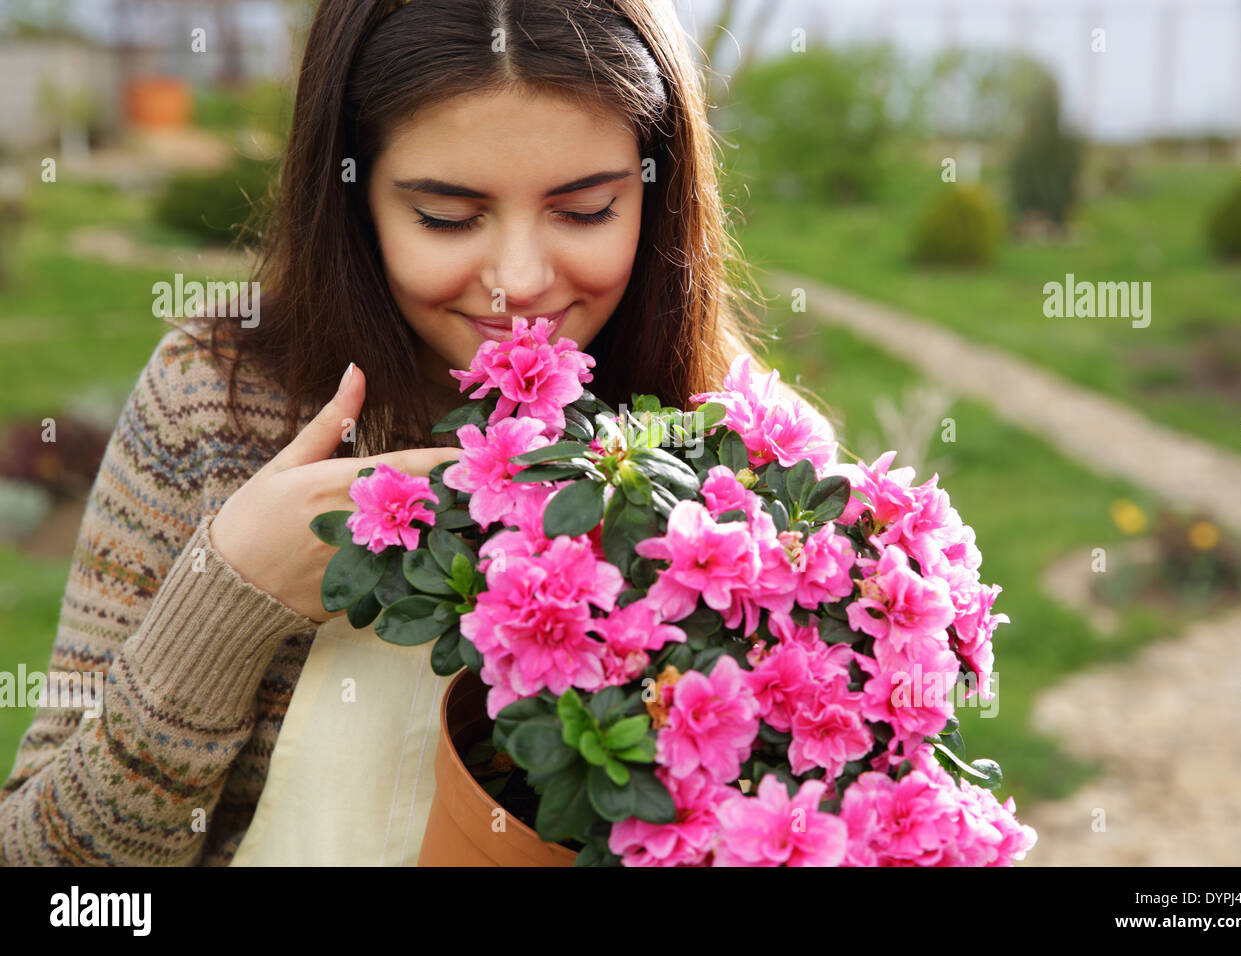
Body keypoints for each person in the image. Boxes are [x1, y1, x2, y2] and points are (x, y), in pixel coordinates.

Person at [0, 0, 833, 865]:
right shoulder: (212, 405)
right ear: (353, 198)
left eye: (585, 211)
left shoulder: (746, 458)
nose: (518, 281)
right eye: (446, 216)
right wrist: (227, 593)